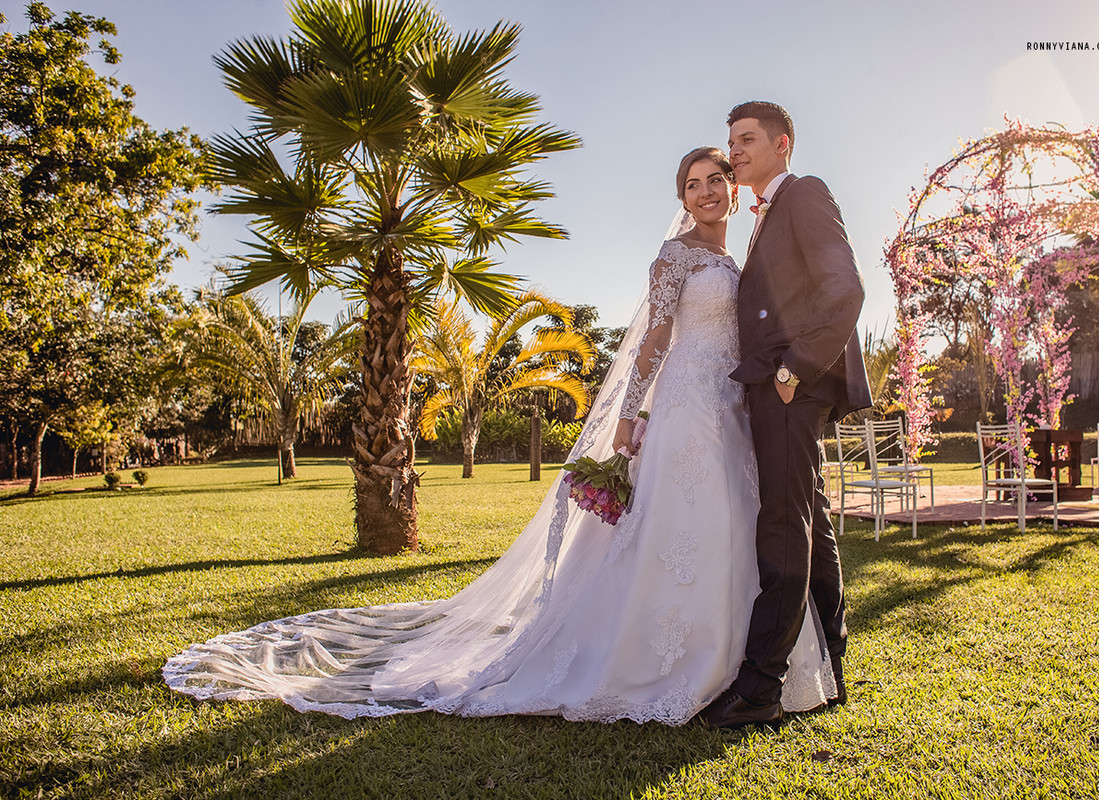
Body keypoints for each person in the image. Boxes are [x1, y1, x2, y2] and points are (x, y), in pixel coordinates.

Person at [162, 147, 839, 724]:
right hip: (686, 408)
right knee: (683, 526)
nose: (706, 191)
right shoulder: (675, 256)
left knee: (738, 523)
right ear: (682, 199)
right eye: (692, 184)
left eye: (714, 179)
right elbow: (651, 348)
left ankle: (740, 666)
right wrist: (633, 415)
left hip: (735, 404)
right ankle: (660, 663)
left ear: (732, 185)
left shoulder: (741, 254)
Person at [699, 102, 871, 729]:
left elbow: (846, 288)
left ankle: (762, 687)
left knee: (781, 522)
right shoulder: (768, 212)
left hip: (791, 387)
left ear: (782, 143)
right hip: (782, 386)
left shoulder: (803, 193)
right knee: (810, 519)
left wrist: (794, 370)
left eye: (746, 140)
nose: (735, 151)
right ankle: (830, 660)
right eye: (732, 141)